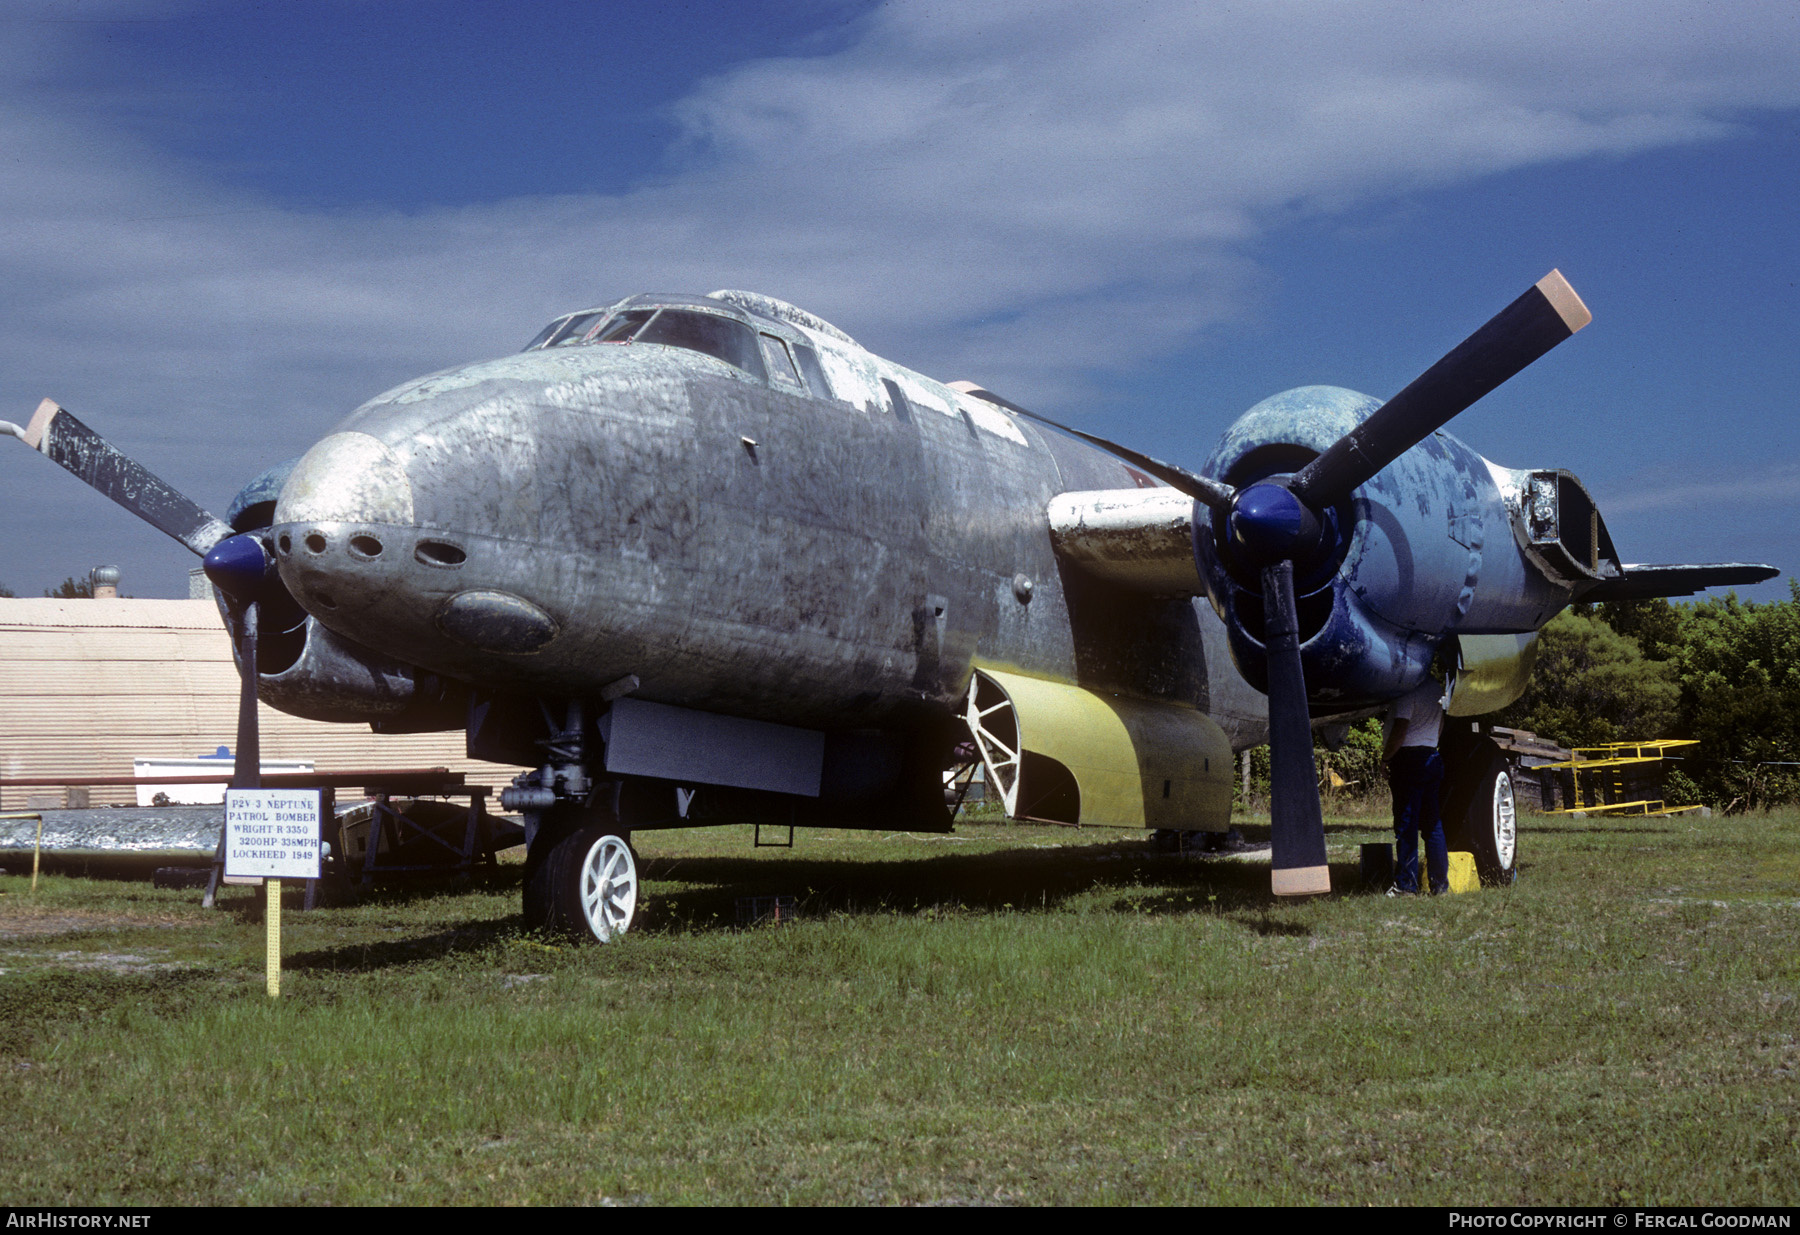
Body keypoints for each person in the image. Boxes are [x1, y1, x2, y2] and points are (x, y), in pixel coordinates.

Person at [1383, 672, 1448, 895]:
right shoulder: (1435, 687)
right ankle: (1439, 885)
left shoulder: (1407, 688)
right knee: (1432, 824)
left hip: (1409, 759)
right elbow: (1440, 725)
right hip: (1431, 754)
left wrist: (1386, 758)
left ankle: (1406, 885)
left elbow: (1401, 729)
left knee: (1406, 824)